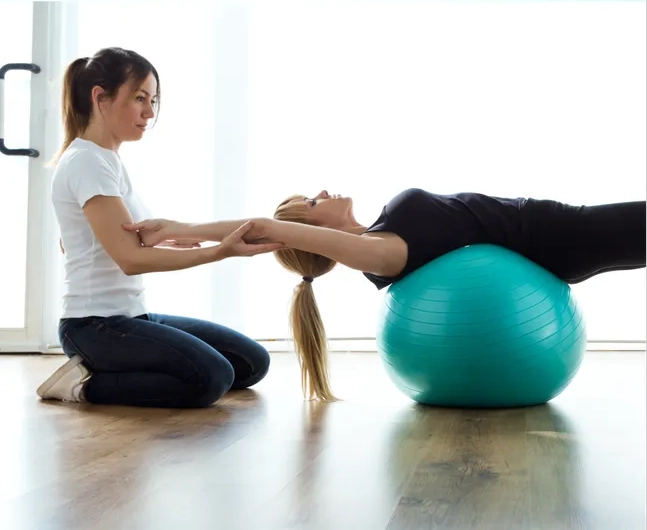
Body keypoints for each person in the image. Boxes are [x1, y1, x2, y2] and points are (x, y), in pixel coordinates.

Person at [124, 188, 646, 403]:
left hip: (562, 228)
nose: (324, 191)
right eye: (312, 200)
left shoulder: (380, 235)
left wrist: (184, 227)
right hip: (567, 236)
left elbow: (272, 226)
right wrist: (181, 226)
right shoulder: (384, 254)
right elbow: (265, 227)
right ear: (307, 229)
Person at [37, 47, 283, 408]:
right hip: (92, 326)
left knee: (250, 363)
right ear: (100, 98)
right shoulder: (87, 163)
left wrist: (169, 236)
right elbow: (130, 260)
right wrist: (220, 251)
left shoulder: (107, 161)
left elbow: (92, 242)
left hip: (130, 315)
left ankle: (119, 371)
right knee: (212, 377)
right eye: (140, 98)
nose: (149, 112)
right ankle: (82, 386)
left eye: (152, 100)